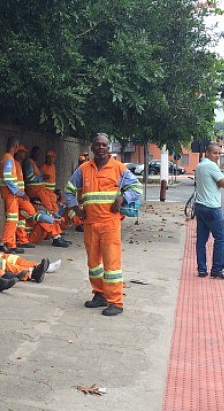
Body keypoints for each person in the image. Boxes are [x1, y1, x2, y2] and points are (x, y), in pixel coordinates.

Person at [64, 133, 142, 317]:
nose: (100, 148)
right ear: (92, 147)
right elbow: (68, 191)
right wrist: (76, 208)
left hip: (110, 224)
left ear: (109, 148)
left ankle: (116, 302)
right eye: (97, 145)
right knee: (94, 264)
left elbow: (137, 188)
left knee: (111, 264)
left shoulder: (119, 168)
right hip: (90, 224)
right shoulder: (83, 169)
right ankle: (99, 294)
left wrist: (123, 198)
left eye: (104, 145)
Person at [194, 141, 224, 280]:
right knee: (222, 238)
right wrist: (220, 176)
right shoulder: (211, 166)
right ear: (208, 153)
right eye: (215, 153)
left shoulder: (200, 165)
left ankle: (202, 269)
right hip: (211, 207)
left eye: (219, 153)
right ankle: (217, 269)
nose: (217, 156)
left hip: (199, 205)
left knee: (201, 239)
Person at [0, 136, 25, 254]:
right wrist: (18, 192)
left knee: (13, 218)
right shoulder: (9, 159)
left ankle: (11, 244)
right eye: (17, 146)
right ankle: (2, 243)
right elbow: (8, 178)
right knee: (12, 219)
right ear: (15, 146)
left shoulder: (6, 158)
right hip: (10, 193)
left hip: (8, 192)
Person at [24, 146, 56, 213]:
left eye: (38, 154)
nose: (37, 156)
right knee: (48, 206)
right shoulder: (30, 164)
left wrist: (42, 176)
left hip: (40, 190)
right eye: (36, 154)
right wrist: (41, 177)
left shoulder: (34, 163)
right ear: (32, 153)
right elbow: (29, 177)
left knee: (51, 205)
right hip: (35, 190)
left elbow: (38, 174)